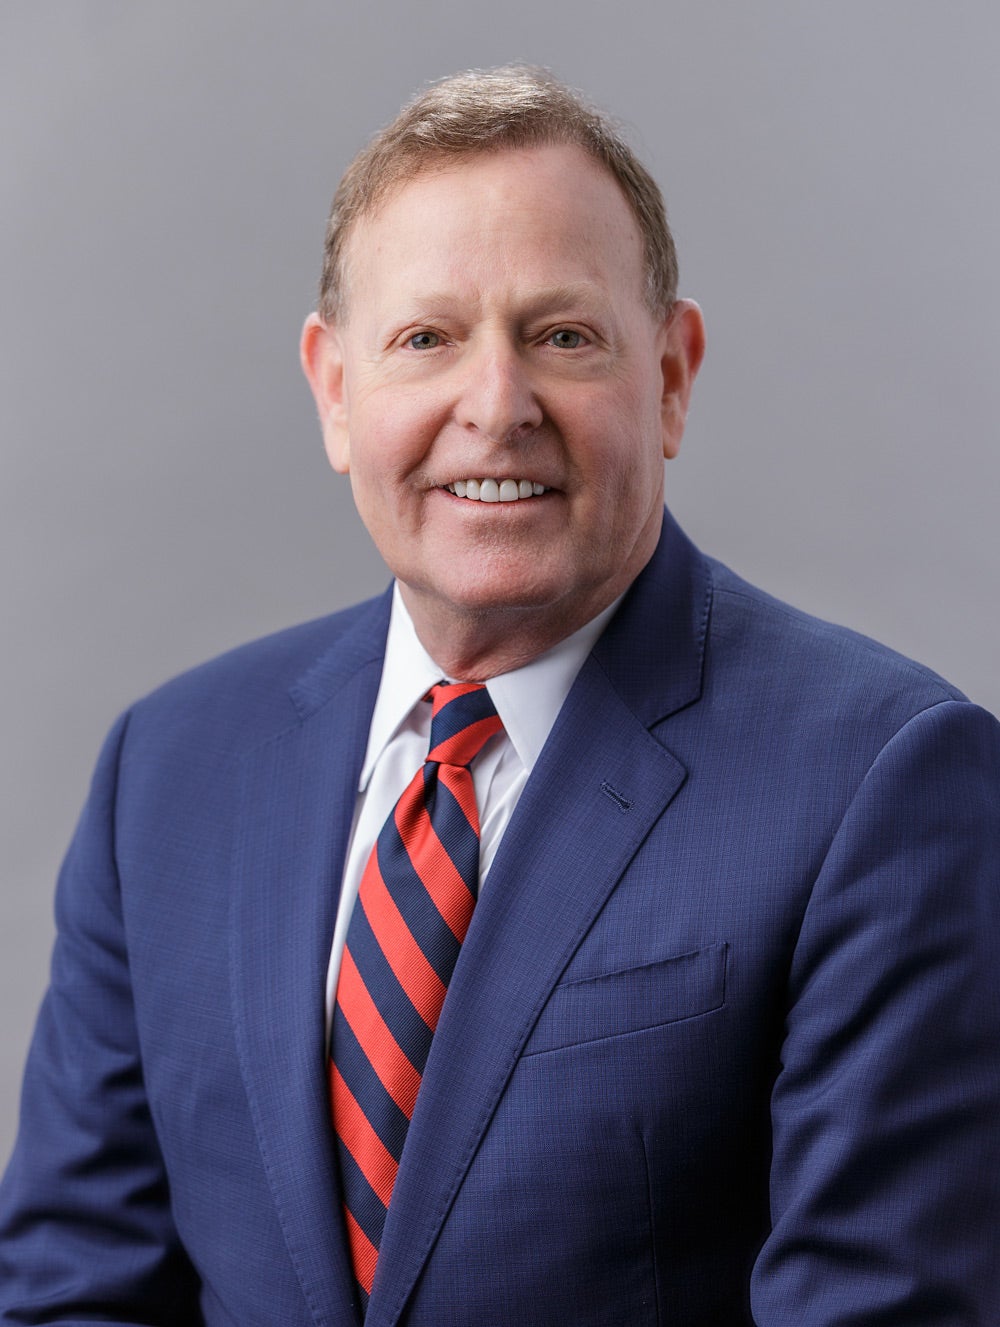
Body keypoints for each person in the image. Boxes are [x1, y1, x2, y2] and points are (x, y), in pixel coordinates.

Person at [1, 65, 998, 1327]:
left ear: (673, 376)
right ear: (335, 391)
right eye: (425, 339)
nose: (495, 407)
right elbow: (72, 1290)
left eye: (562, 335)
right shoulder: (171, 771)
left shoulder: (884, 780)